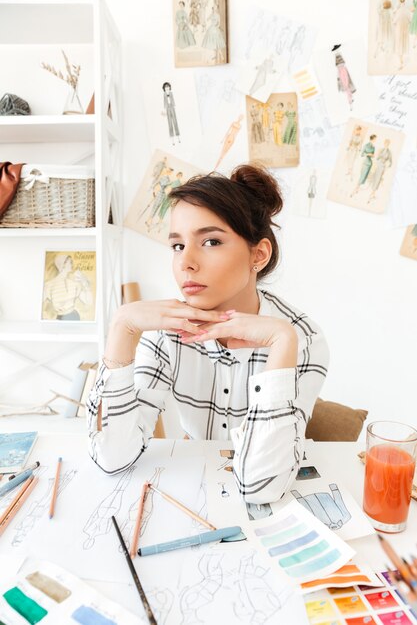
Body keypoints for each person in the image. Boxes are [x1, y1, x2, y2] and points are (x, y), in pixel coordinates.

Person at [87, 165, 329, 505]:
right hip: (191, 487)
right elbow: (112, 459)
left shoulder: (302, 338)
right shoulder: (165, 332)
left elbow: (262, 488)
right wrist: (121, 329)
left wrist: (281, 343)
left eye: (211, 241)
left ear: (258, 255)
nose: (186, 262)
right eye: (177, 245)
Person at [43, 254, 92, 321]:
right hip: (60, 319)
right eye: (70, 262)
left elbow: (88, 301)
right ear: (63, 264)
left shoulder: (74, 284)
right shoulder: (49, 285)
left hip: (75, 317)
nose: (73, 264)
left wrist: (85, 284)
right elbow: (38, 304)